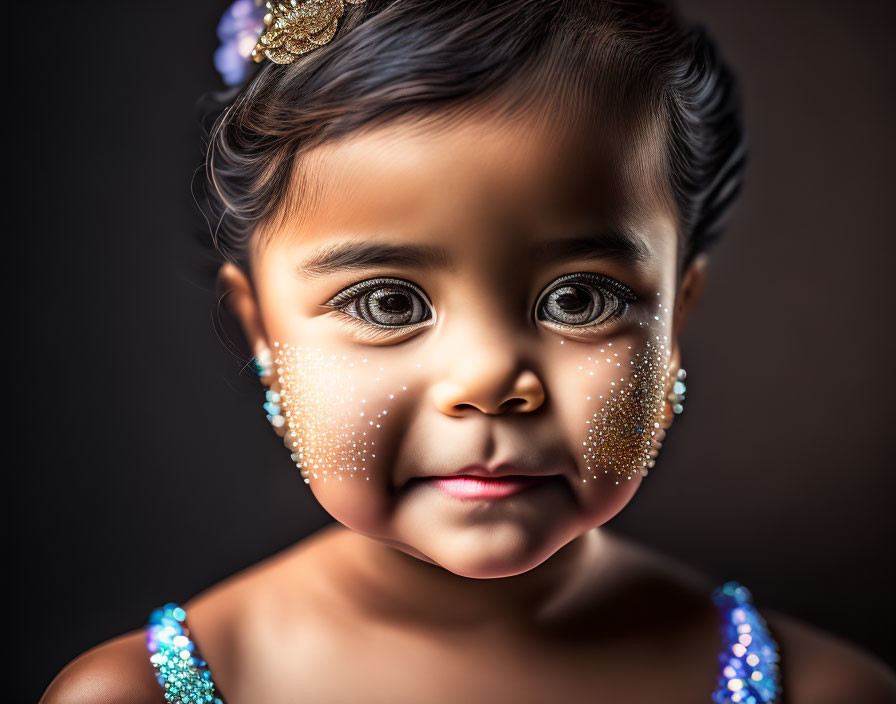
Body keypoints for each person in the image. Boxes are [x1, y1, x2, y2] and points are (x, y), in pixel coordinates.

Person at [40, 1, 896, 702]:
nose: (490, 379)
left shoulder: (824, 692)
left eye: (579, 299)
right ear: (263, 328)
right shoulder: (134, 697)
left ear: (674, 319)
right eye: (387, 302)